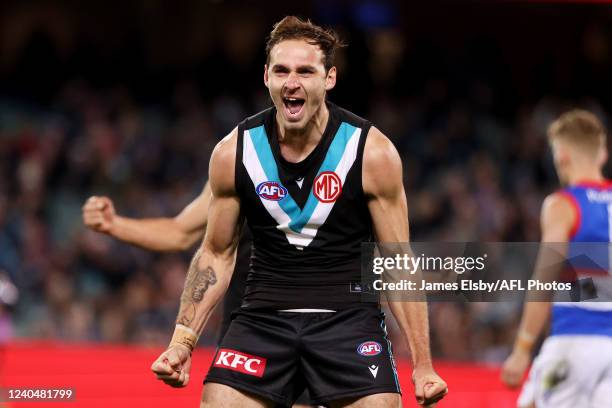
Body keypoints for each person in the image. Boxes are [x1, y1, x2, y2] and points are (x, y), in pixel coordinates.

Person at [150, 16, 447, 407]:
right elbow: (216, 255)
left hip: (348, 320)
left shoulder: (372, 154)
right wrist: (182, 342)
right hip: (261, 318)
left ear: (330, 79)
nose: (293, 81)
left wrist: (422, 365)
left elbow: (397, 261)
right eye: (282, 70)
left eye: (306, 71)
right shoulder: (233, 153)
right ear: (266, 78)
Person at [501, 109, 612, 407]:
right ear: (602, 154)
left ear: (561, 155)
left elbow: (544, 279)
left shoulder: (562, 205)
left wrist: (523, 348)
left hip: (573, 342)